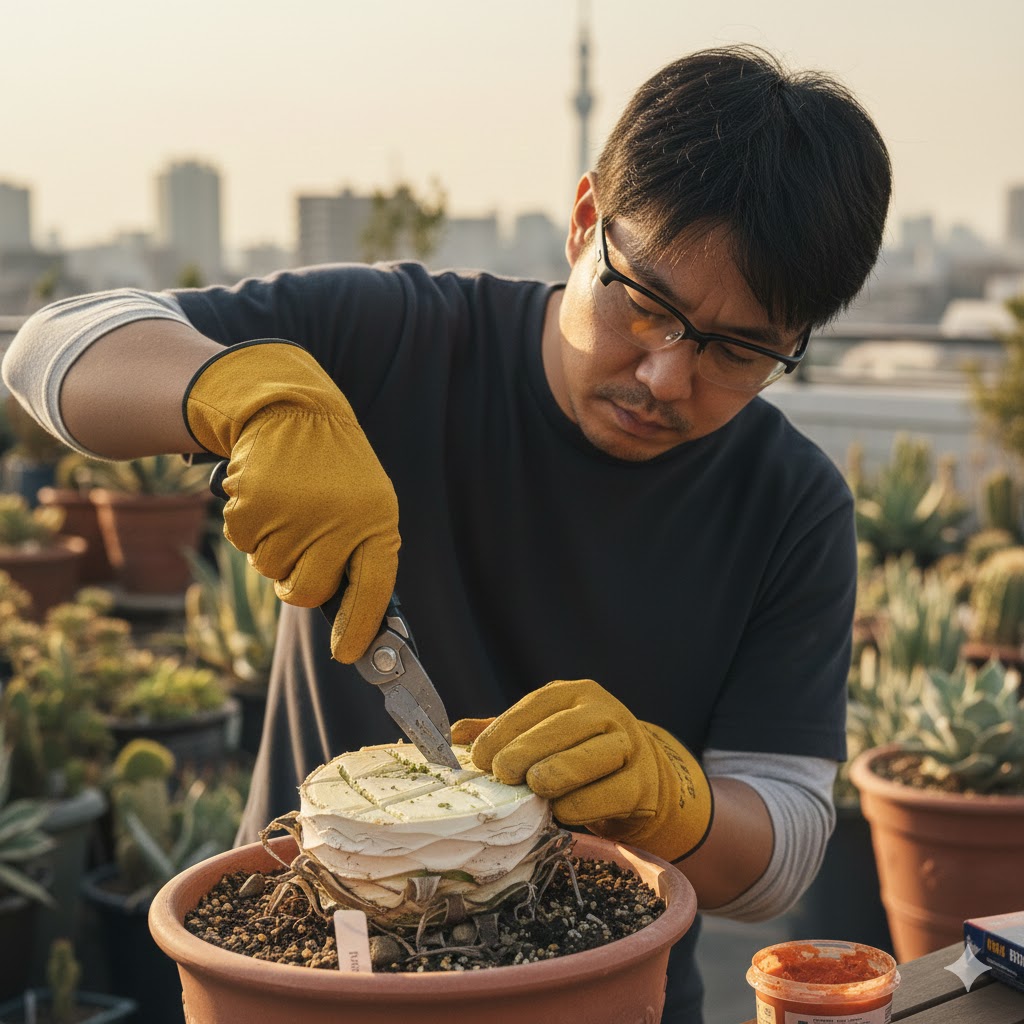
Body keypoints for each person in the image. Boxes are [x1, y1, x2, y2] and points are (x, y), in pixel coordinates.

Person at [2, 45, 891, 1021]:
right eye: (646, 305)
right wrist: (240, 397)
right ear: (586, 222)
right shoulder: (396, 339)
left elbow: (782, 853)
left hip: (596, 991)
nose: (664, 377)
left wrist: (675, 799)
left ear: (794, 342)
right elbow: (49, 349)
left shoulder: (791, 503)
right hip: (310, 976)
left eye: (739, 350)